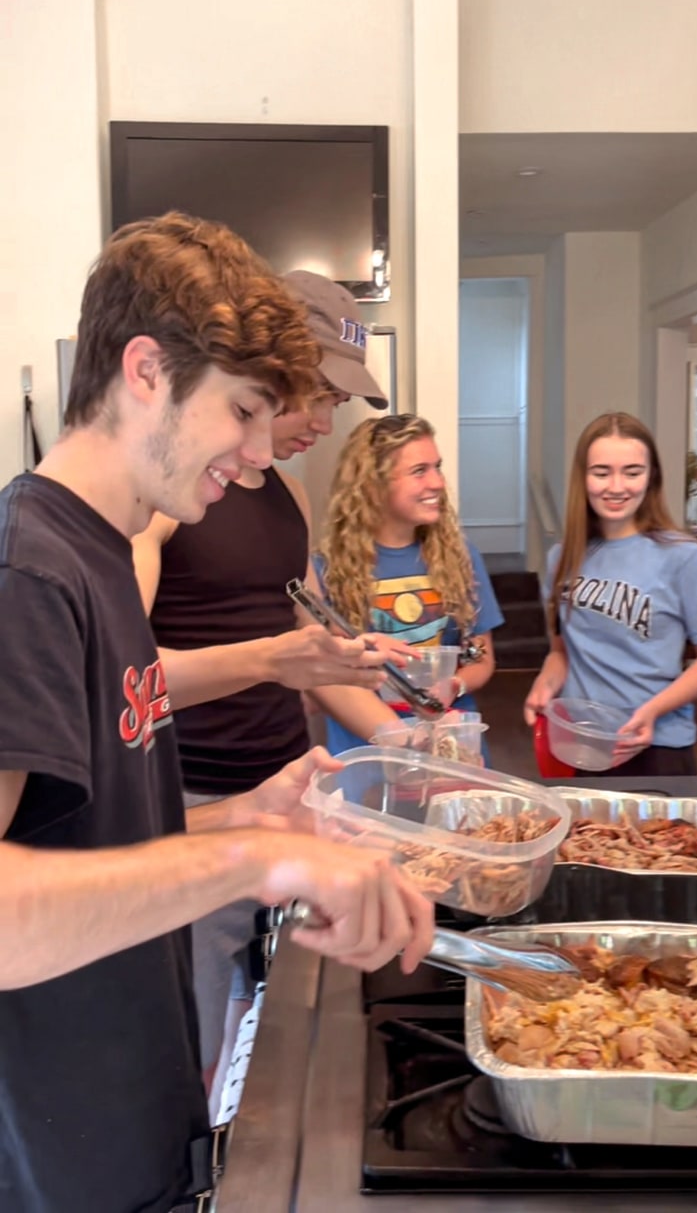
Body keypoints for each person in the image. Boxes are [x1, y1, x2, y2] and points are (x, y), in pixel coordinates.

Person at [0, 212, 433, 1213]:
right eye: (242, 411)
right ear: (144, 370)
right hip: (59, 1152)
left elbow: (82, 842)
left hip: (135, 1110)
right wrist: (253, 864)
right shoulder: (30, 569)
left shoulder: (104, 552)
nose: (253, 451)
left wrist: (240, 820)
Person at [131, 268, 409, 1106]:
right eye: (313, 396)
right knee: (195, 1046)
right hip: (198, 800)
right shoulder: (168, 497)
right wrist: (267, 659)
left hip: (291, 790)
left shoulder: (287, 493)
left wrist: (404, 737)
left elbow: (307, 653)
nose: (323, 424)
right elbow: (120, 682)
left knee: (283, 1029)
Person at [524, 411, 697, 777]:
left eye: (632, 472)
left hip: (659, 746)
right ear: (583, 478)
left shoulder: (684, 557)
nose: (616, 486)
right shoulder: (563, 558)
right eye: (601, 472)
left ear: (651, 478)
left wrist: (653, 710)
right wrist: (545, 683)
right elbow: (561, 652)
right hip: (585, 745)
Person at [315, 413, 503, 756]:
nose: (437, 483)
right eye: (419, 471)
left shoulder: (461, 557)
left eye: (437, 467)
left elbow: (481, 657)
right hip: (368, 751)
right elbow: (324, 676)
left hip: (451, 747)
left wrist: (455, 684)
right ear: (374, 483)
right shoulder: (326, 570)